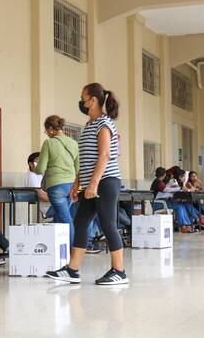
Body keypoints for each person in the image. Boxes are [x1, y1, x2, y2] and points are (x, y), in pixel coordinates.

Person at [46, 83, 128, 285]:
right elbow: (87, 158)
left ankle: (119, 271)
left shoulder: (104, 123)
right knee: (81, 222)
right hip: (92, 181)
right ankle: (73, 270)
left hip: (106, 181)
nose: (81, 102)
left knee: (107, 223)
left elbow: (105, 155)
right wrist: (77, 184)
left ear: (93, 100)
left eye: (83, 98)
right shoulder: (90, 125)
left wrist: (93, 184)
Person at [34, 116, 79, 246]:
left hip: (56, 186)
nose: (47, 134)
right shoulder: (74, 143)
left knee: (65, 220)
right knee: (60, 218)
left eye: (46, 131)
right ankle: (59, 252)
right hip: (71, 185)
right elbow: (77, 168)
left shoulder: (49, 143)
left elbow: (41, 168)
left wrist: (34, 168)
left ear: (51, 129)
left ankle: (72, 253)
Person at [150, 167, 193, 233]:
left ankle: (187, 225)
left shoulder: (159, 181)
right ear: (164, 174)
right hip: (158, 204)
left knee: (181, 205)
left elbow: (165, 191)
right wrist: (179, 188)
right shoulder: (158, 182)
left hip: (163, 202)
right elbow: (165, 190)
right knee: (179, 207)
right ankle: (183, 226)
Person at [25, 152, 53, 221]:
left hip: (52, 205)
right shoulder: (31, 176)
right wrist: (59, 199)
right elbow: (42, 195)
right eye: (38, 161)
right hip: (47, 208)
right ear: (31, 164)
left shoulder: (41, 174)